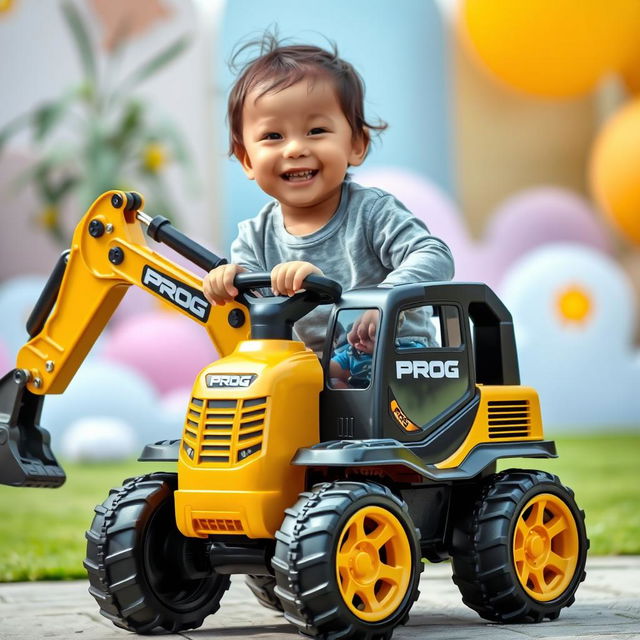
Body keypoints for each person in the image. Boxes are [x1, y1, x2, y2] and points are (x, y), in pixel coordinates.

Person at [203, 34, 454, 357]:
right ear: (247, 160)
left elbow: (434, 255)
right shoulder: (254, 236)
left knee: (341, 367)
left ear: (356, 145)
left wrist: (385, 300)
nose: (295, 149)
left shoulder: (372, 213)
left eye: (316, 131)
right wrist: (229, 281)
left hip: (396, 360)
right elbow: (254, 307)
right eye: (273, 136)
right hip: (314, 373)